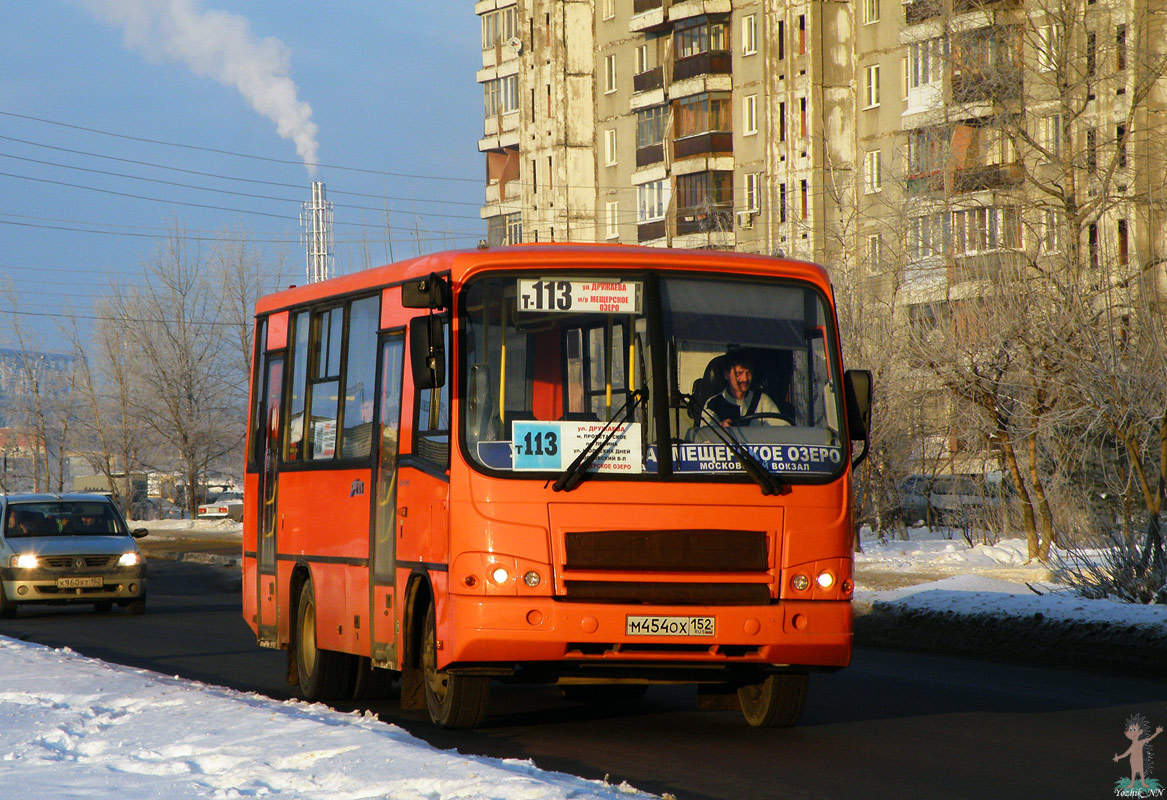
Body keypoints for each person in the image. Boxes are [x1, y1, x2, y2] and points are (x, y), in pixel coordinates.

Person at [703, 352, 788, 427]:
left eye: (748, 373)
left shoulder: (762, 401)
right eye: (739, 373)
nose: (745, 379)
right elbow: (706, 438)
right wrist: (720, 429)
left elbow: (784, 430)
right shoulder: (713, 405)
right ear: (726, 374)